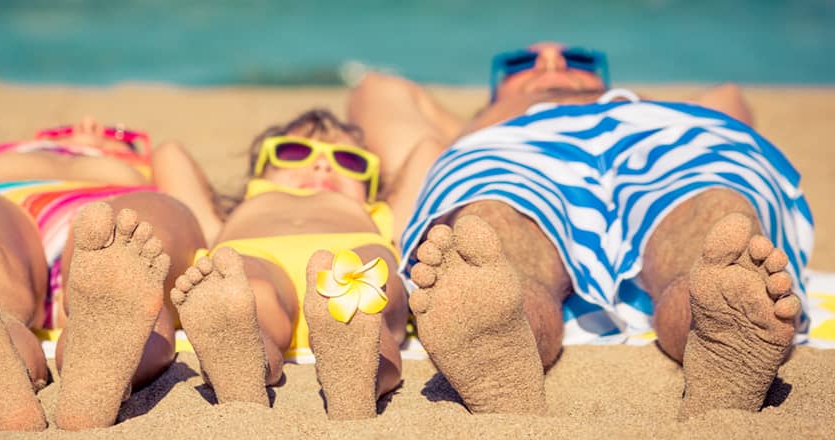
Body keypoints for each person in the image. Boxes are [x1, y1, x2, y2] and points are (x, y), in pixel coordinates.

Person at [346, 42, 813, 419]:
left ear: (603, 79)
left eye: (578, 59)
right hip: (514, 145)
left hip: (667, 136)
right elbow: (376, 89)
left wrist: (642, 102)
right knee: (489, 233)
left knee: (715, 219)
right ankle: (501, 343)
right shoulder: (484, 121)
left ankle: (721, 336)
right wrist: (478, 118)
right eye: (522, 61)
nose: (551, 63)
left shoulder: (657, 107)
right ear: (493, 90)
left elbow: (728, 98)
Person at [0, 117, 209, 431]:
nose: (88, 124)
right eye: (58, 132)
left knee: (131, 259)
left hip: (109, 203)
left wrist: (165, 154)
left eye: (119, 135)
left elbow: (211, 222)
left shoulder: (149, 167)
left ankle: (94, 368)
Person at [168, 109, 427, 420]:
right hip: (251, 257)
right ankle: (247, 363)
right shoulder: (229, 214)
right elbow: (170, 153)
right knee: (252, 296)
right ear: (258, 175)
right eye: (293, 152)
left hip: (352, 254)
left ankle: (361, 375)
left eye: (349, 161)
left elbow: (429, 150)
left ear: (371, 188)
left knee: (372, 295)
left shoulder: (379, 212)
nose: (321, 163)